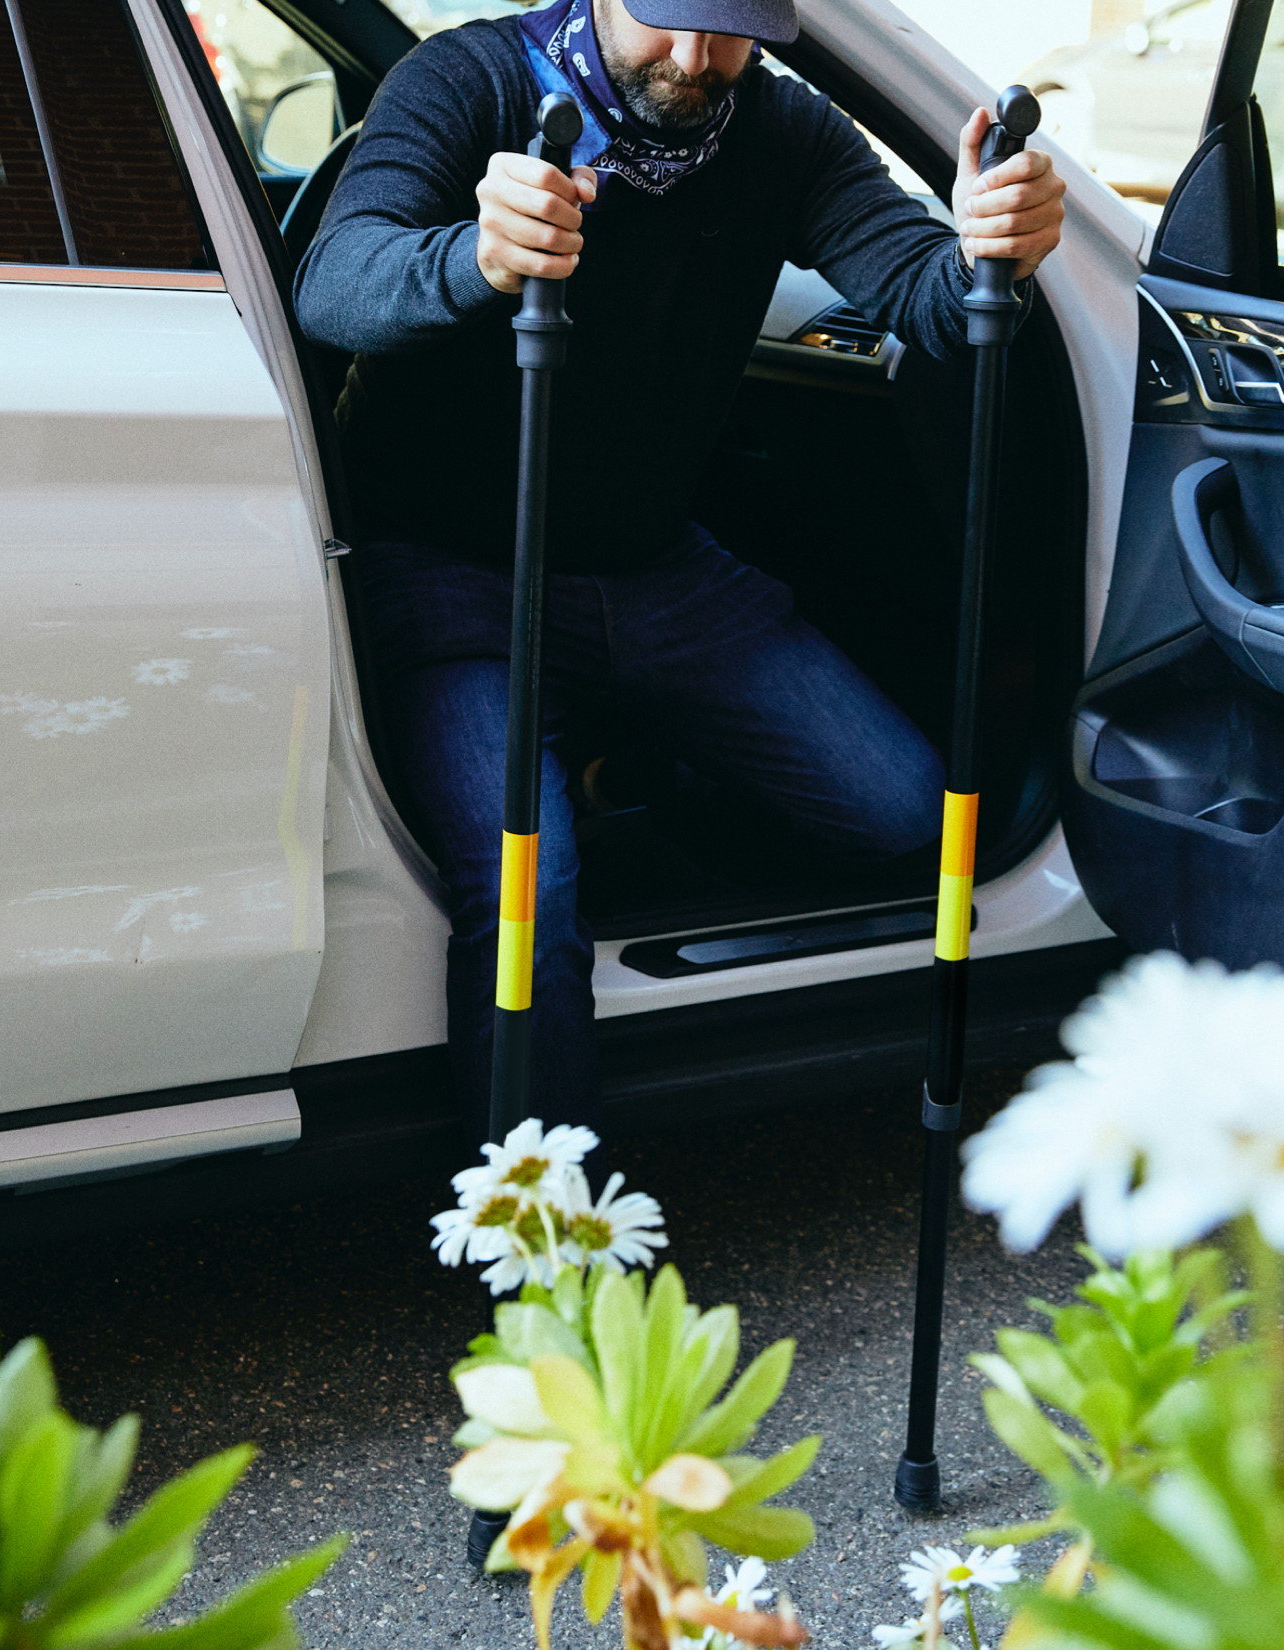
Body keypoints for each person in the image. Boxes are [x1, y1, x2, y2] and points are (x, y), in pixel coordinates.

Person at [293, 0, 1065, 1151]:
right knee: (527, 898)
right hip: (452, 572)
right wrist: (476, 256)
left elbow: (918, 290)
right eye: (669, 22)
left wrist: (987, 247)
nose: (697, 62)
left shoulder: (780, 129)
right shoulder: (468, 82)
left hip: (653, 570)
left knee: (900, 805)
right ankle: (544, 1236)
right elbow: (334, 283)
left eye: (732, 32)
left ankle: (622, 782)